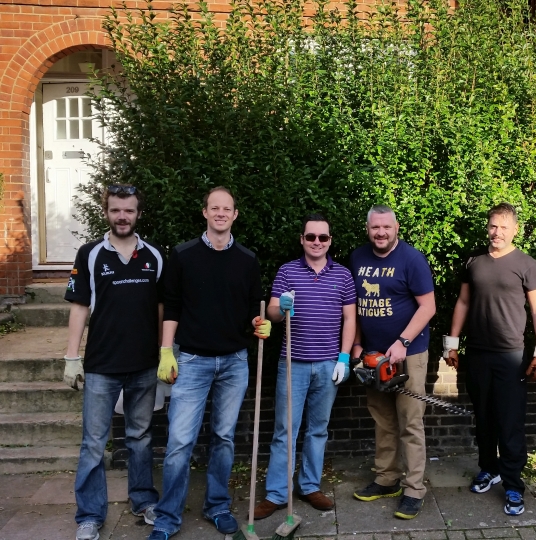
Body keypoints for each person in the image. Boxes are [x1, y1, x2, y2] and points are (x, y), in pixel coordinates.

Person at [148, 187, 265, 540]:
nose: (220, 214)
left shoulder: (248, 259)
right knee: (180, 441)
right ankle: (167, 517)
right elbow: (172, 306)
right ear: (205, 213)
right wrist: (166, 351)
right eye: (214, 208)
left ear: (235, 214)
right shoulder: (183, 255)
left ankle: (217, 506)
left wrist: (260, 324)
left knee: (224, 438)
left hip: (234, 362)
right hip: (193, 360)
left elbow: (252, 312)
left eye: (226, 209)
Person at [64, 184, 164, 540]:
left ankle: (143, 501)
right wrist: (72, 357)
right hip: (101, 366)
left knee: (140, 437)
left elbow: (161, 309)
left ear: (138, 213)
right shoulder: (90, 254)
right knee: (93, 442)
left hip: (144, 365)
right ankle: (90, 515)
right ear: (106, 212)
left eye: (129, 210)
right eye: (116, 210)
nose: (123, 216)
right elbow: (79, 307)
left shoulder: (154, 255)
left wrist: (166, 353)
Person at [443, 203, 536, 516]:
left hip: (511, 356)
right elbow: (463, 301)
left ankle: (514, 485)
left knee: (510, 421)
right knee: (484, 418)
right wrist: (451, 344)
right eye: (492, 226)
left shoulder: (527, 264)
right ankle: (489, 468)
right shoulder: (473, 261)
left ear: (515, 229)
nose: (497, 232)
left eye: (503, 227)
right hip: (476, 354)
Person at [253, 214, 357, 519]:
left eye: (322, 238)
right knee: (285, 430)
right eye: (311, 237)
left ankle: (310, 486)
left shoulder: (343, 275)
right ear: (302, 239)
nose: (316, 242)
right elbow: (272, 312)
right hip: (292, 363)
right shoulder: (287, 272)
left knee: (318, 430)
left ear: (330, 241)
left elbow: (350, 319)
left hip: (328, 364)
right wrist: (279, 308)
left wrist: (344, 357)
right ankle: (276, 493)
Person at [349, 204, 436, 520]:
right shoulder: (358, 258)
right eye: (375, 228)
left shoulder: (411, 259)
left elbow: (428, 307)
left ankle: (414, 489)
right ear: (368, 228)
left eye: (386, 227)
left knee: (410, 422)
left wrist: (402, 342)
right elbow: (355, 306)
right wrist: (358, 343)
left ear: (396, 227)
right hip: (373, 357)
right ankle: (387, 479)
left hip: (408, 355)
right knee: (382, 420)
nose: (381, 233)